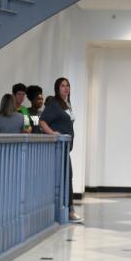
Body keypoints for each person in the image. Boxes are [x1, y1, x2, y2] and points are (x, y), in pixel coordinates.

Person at [40, 77, 82, 222]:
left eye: (68, 86)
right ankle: (69, 210)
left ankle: (68, 208)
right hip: (59, 148)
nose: (66, 88)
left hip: (66, 148)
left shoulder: (66, 104)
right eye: (62, 86)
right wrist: (52, 133)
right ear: (57, 88)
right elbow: (42, 121)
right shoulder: (54, 103)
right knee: (66, 177)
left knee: (67, 176)